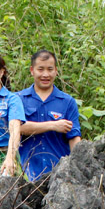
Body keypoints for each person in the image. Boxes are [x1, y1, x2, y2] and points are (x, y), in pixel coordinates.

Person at [17, 50, 82, 180]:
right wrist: (52, 125)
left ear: (56, 71)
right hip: (27, 175)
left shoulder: (67, 102)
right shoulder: (19, 99)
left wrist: (79, 166)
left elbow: (74, 138)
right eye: (40, 69)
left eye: (50, 69)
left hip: (60, 175)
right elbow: (17, 128)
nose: (45, 74)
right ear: (32, 70)